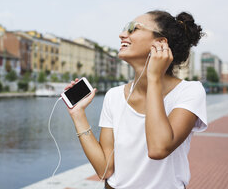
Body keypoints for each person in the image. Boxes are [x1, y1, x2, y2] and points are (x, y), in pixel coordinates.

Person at [65, 10, 207, 189]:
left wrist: (154, 78)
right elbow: (105, 170)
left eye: (133, 29)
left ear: (160, 43)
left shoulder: (189, 92)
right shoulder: (114, 96)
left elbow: (158, 148)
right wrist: (78, 115)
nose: (122, 34)